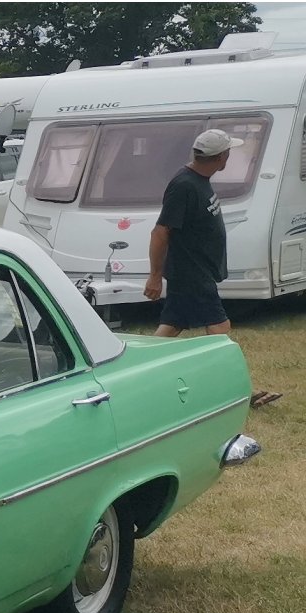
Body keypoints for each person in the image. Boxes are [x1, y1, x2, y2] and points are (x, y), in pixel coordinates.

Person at [145, 129, 279, 407]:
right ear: (221, 157)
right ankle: (237, 390)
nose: (229, 156)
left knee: (171, 327)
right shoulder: (184, 185)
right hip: (191, 273)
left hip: (197, 271)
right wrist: (155, 276)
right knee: (219, 328)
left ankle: (138, 373)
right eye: (228, 152)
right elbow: (160, 232)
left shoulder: (199, 181)